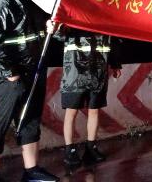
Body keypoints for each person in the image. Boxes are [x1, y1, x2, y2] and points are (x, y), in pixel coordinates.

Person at [0, 0, 59, 182]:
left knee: (29, 122)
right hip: (6, 80)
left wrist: (54, 27)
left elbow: (50, 25)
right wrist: (9, 72)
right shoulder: (1, 7)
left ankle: (31, 171)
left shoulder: (29, 7)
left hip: (32, 75)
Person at [51, 24, 122, 166]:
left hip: (98, 74)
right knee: (71, 112)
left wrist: (115, 64)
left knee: (94, 111)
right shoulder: (73, 18)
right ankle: (70, 150)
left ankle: (91, 148)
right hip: (74, 74)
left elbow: (112, 42)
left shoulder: (105, 21)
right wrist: (54, 26)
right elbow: (59, 35)